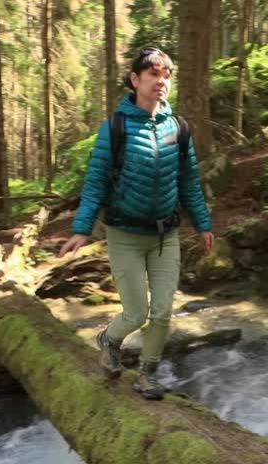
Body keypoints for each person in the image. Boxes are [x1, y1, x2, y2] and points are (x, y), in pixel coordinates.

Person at [58, 47, 214, 400]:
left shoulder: (179, 128)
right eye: (154, 74)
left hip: (166, 235)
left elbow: (189, 180)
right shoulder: (116, 127)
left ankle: (147, 373)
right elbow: (96, 180)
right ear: (135, 79)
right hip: (125, 235)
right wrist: (81, 229)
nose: (162, 81)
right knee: (136, 312)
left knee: (162, 312)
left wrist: (203, 224)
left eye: (167, 75)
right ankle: (109, 340)